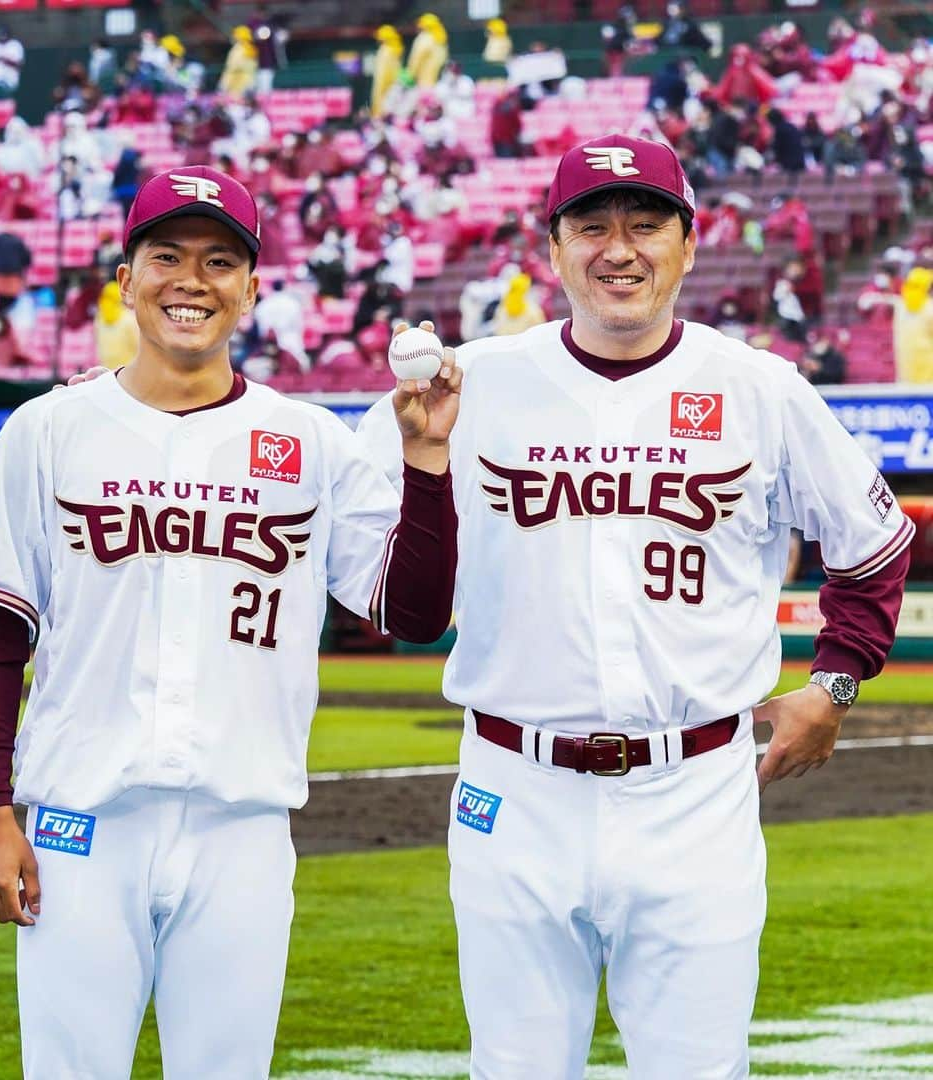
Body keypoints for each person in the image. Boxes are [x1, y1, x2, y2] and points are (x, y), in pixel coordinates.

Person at [355, 133, 912, 1078]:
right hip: (513, 786)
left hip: (693, 789)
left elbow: (875, 546)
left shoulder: (759, 389)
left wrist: (837, 685)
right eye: (592, 227)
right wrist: (120, 404)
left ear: (689, 245)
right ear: (554, 248)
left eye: (646, 224)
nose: (619, 248)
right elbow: (387, 588)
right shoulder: (467, 384)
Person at [0, 163, 461, 1080]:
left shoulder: (309, 441)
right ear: (126, 274)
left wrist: (426, 460)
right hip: (80, 828)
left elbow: (415, 614)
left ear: (252, 288)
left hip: (244, 831)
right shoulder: (48, 430)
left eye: (221, 261)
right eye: (167, 255)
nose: (193, 281)